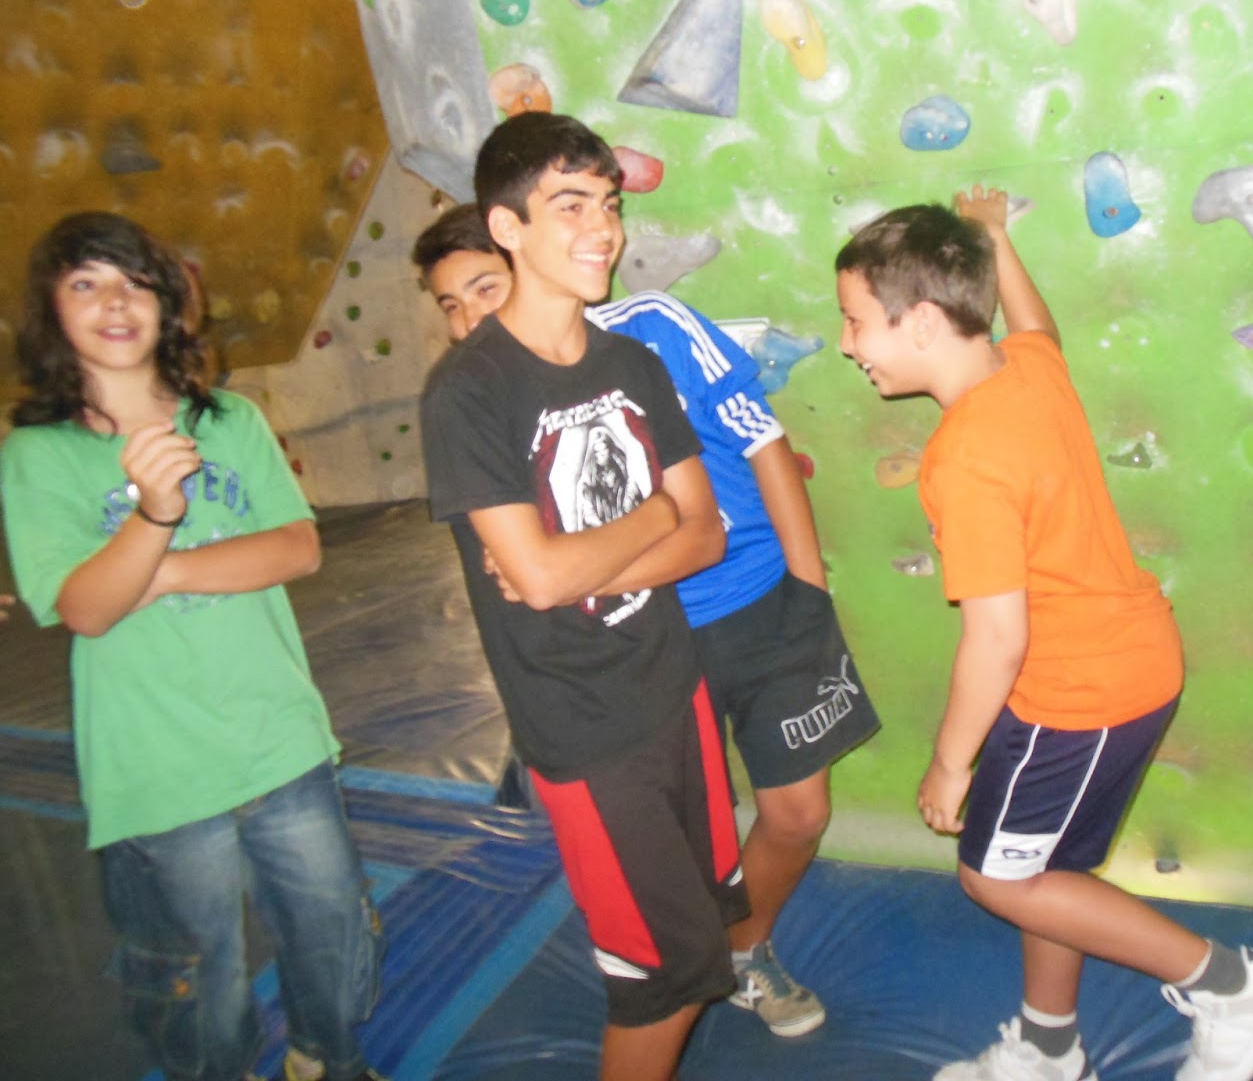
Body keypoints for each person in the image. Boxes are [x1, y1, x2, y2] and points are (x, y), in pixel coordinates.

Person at [834, 186, 1253, 1081]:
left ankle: (1234, 986)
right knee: (1046, 873)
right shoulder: (1026, 370)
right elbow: (1037, 326)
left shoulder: (964, 457)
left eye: (856, 321)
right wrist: (994, 239)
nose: (847, 343)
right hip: (1123, 670)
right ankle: (1051, 1050)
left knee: (995, 877)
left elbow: (996, 639)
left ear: (923, 322)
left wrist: (950, 764)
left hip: (1078, 695)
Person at [412, 200, 879, 1037]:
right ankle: (696, 955)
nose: (470, 319)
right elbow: (531, 565)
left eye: (482, 288)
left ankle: (744, 948)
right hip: (644, 637)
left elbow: (760, 445)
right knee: (676, 857)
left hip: (755, 599)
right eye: (452, 305)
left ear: (520, 253)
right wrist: (563, 577)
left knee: (799, 811)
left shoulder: (645, 334)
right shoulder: (483, 392)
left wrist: (807, 590)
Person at [0, 212, 385, 1081]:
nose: (116, 302)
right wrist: (155, 514)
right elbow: (85, 608)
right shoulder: (38, 455)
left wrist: (155, 568)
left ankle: (326, 1059)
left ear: (168, 305)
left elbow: (297, 548)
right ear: (52, 311)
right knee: (200, 971)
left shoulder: (230, 421)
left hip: (279, 736)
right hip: (156, 763)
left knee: (331, 924)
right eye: (86, 284)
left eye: (135, 282)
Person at [418, 112, 746, 1081]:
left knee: (703, 934)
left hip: (675, 691)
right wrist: (651, 516)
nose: (604, 228)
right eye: (571, 205)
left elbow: (705, 533)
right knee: (661, 978)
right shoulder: (468, 391)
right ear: (507, 227)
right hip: (584, 726)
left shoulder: (632, 364)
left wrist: (582, 559)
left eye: (607, 204)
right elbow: (542, 576)